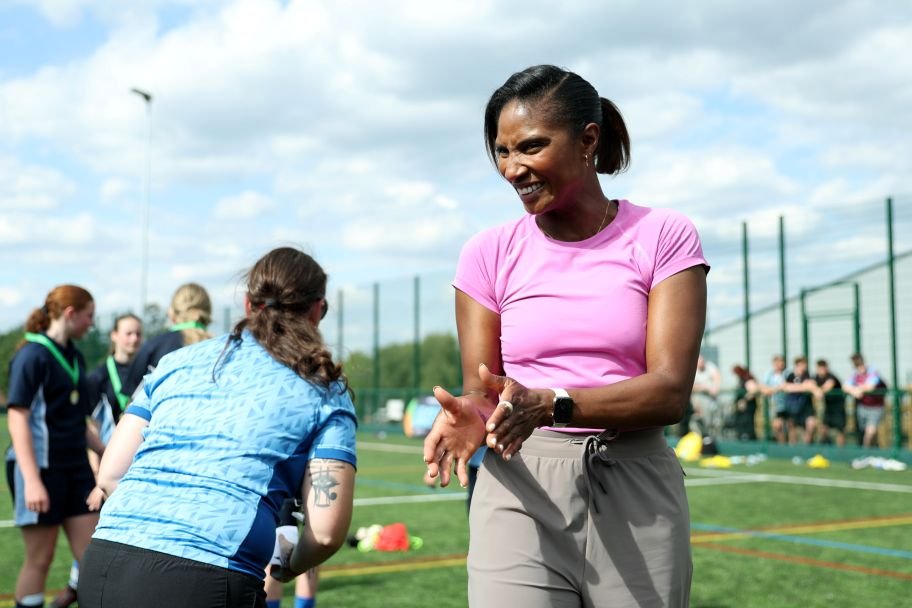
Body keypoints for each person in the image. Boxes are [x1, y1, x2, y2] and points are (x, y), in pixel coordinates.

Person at [423, 65, 708, 607]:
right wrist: (470, 413)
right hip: (520, 486)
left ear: (588, 140)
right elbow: (486, 393)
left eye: (530, 146)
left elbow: (670, 392)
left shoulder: (664, 236)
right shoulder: (486, 253)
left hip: (637, 485)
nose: (513, 168)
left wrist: (555, 404)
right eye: (502, 153)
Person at [77, 247, 357, 608]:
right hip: (208, 578)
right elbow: (325, 532)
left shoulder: (174, 363)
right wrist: (288, 567)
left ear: (247, 304)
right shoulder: (325, 391)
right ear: (318, 310)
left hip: (105, 563)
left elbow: (111, 472)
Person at [5, 285, 104, 608]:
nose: (92, 323)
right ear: (70, 313)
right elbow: (18, 418)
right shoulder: (32, 355)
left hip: (75, 469)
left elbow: (78, 419)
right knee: (41, 559)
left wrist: (107, 453)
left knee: (93, 557)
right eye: (89, 315)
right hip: (40, 470)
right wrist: (32, 481)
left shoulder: (74, 356)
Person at [50, 313, 144, 608]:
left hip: (139, 468)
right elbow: (89, 424)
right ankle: (79, 584)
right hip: (108, 468)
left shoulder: (150, 372)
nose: (134, 339)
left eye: (138, 334)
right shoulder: (98, 376)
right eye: (128, 333)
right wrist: (97, 471)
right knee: (102, 534)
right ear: (114, 336)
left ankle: (88, 585)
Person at [120, 282, 212, 397]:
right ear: (208, 311)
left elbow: (132, 401)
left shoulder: (154, 348)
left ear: (171, 311)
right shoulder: (224, 348)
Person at [844, 353, 887, 448]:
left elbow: (870, 387)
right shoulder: (855, 375)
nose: (858, 366)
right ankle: (875, 449)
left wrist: (858, 389)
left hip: (876, 408)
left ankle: (865, 452)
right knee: (867, 433)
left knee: (870, 432)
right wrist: (853, 391)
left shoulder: (873, 372)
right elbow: (845, 386)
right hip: (863, 407)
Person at [782, 356, 817, 444]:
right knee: (791, 427)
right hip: (793, 407)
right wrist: (803, 387)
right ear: (797, 365)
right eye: (802, 365)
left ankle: (806, 448)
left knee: (811, 425)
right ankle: (792, 448)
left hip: (806, 407)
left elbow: (812, 385)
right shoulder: (790, 376)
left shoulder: (808, 375)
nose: (804, 367)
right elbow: (785, 387)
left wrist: (796, 387)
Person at [813, 359, 846, 447]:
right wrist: (815, 390)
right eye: (820, 368)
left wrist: (819, 391)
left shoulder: (831, 377)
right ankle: (825, 447)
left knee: (840, 431)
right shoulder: (816, 377)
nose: (822, 370)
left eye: (823, 368)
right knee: (823, 429)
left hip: (838, 407)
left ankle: (841, 451)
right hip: (828, 408)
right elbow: (809, 384)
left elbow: (828, 385)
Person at [690, 355, 722, 436]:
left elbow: (717, 378)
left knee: (714, 423)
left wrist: (714, 387)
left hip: (711, 400)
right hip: (697, 401)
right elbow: (690, 386)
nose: (701, 364)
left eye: (702, 361)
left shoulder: (709, 366)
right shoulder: (692, 369)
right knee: (698, 423)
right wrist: (703, 387)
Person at [761, 355, 788, 443]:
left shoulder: (787, 374)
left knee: (790, 427)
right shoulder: (769, 374)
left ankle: (792, 448)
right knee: (777, 426)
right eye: (776, 362)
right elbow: (764, 388)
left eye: (780, 362)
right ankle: (782, 446)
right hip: (775, 405)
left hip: (788, 405)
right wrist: (777, 388)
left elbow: (787, 386)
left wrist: (773, 389)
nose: (778, 364)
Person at [731, 365, 759, 441]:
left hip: (748, 408)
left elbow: (753, 391)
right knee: (740, 424)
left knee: (748, 425)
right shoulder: (740, 380)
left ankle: (750, 439)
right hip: (741, 409)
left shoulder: (747, 379)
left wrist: (744, 400)